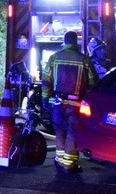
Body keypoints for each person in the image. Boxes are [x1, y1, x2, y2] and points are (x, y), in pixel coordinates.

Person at [42, 30, 99, 174]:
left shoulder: (54, 58)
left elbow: (46, 81)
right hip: (75, 105)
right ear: (76, 41)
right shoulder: (85, 60)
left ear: (64, 41)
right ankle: (69, 165)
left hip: (57, 103)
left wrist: (45, 99)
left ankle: (60, 160)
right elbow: (94, 83)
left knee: (59, 131)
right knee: (72, 133)